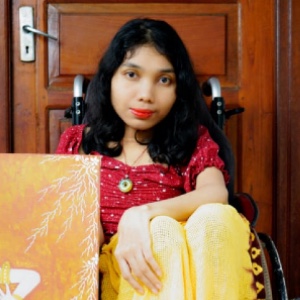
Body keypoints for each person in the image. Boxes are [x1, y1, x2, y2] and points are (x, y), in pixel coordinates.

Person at [56, 18, 257, 299]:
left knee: (197, 221)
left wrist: (142, 215)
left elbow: (215, 193)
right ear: (110, 78)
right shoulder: (81, 142)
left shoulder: (191, 140)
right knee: (160, 235)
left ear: (178, 90)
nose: (146, 95)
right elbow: (71, 226)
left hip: (193, 277)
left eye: (164, 80)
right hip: (117, 274)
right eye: (131, 75)